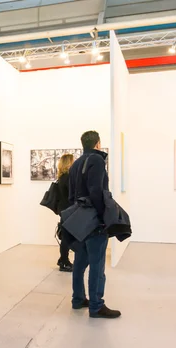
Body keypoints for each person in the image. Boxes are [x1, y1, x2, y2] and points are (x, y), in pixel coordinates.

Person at [69, 130, 120, 318]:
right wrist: (102, 217)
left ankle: (78, 299)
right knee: (97, 264)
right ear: (98, 144)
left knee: (80, 261)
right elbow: (96, 191)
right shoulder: (97, 160)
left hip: (79, 220)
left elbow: (71, 194)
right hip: (93, 220)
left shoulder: (75, 164)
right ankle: (96, 305)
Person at [56, 154, 74, 272]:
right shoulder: (68, 178)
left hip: (64, 210)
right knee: (67, 238)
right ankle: (64, 261)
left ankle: (62, 259)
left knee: (66, 237)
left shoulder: (62, 177)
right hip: (68, 211)